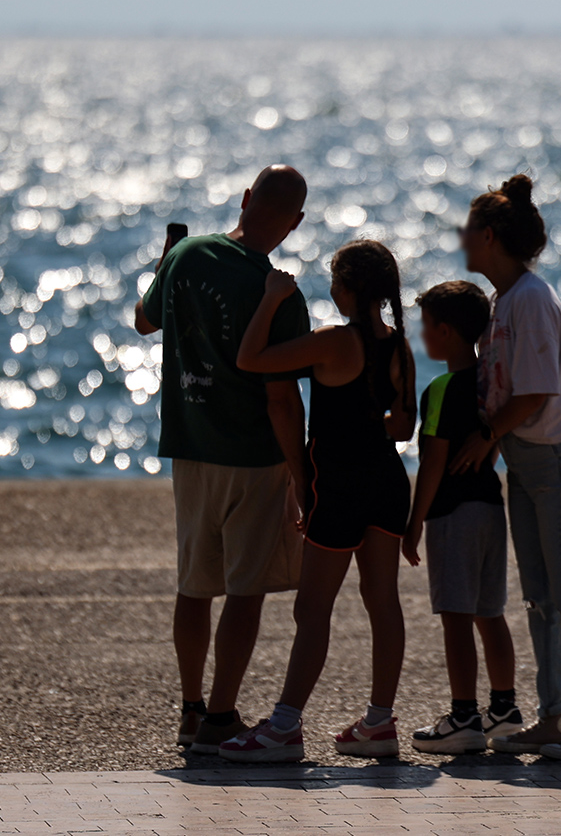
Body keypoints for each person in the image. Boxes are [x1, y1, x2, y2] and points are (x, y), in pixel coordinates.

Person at [450, 174, 561, 761]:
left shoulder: (529, 299)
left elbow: (533, 392)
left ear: (491, 237)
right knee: (542, 598)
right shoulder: (508, 301)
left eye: (470, 231)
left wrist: (487, 438)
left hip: (556, 458)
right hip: (530, 460)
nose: (462, 239)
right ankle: (556, 716)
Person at [133, 164, 311, 754]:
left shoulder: (185, 254)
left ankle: (190, 709)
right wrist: (301, 471)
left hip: (189, 444)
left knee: (194, 583)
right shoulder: (279, 293)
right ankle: (221, 715)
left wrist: (166, 262)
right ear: (296, 223)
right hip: (254, 455)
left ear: (244, 199)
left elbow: (144, 320)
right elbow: (282, 398)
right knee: (245, 588)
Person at [220, 240, 416, 763]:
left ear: (347, 289)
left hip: (342, 487)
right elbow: (403, 426)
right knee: (383, 601)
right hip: (389, 483)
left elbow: (250, 359)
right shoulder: (398, 345)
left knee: (312, 609)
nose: (330, 287)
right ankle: (379, 722)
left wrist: (272, 297)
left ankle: (284, 725)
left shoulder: (332, 342)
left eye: (335, 279)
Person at [403, 281, 523, 755]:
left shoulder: (440, 390)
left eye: (427, 326)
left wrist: (414, 524)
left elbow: (432, 462)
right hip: (491, 509)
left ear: (446, 332)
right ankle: (504, 709)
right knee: (490, 614)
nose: (422, 334)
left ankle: (463, 715)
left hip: (453, 515)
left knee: (455, 617)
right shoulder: (491, 382)